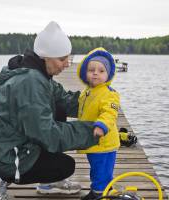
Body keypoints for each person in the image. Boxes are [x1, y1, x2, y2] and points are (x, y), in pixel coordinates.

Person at [0, 21, 99, 200]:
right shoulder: (30, 83)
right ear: (46, 57)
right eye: (62, 59)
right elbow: (49, 135)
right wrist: (91, 131)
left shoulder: (38, 73)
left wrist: (99, 102)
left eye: (68, 58)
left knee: (59, 107)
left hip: (5, 141)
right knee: (64, 166)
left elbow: (64, 99)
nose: (67, 64)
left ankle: (48, 183)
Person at [77, 47, 121, 200]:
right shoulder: (88, 91)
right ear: (85, 73)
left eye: (101, 71)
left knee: (101, 170)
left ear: (108, 75)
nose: (95, 73)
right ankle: (100, 190)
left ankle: (99, 194)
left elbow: (109, 112)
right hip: (93, 141)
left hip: (104, 141)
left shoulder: (109, 93)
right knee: (97, 169)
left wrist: (101, 125)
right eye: (91, 70)